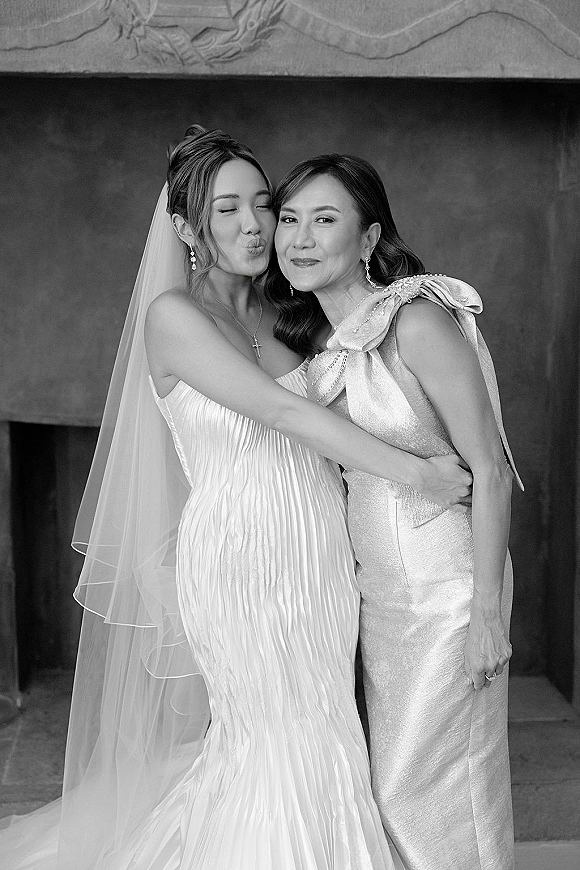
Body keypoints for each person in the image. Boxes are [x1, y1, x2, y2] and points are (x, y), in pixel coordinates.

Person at [0, 129, 472, 870]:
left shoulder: (291, 313)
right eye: (227, 209)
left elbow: (362, 399)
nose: (254, 225)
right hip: (238, 556)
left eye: (263, 204)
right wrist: (421, 476)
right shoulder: (173, 317)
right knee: (270, 735)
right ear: (186, 228)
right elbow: (283, 413)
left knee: (326, 726)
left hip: (320, 552)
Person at [268, 153, 524, 870]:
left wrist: (485, 614)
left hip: (448, 586)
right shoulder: (316, 343)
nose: (301, 238)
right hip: (380, 590)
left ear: (370, 236)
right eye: (289, 219)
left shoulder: (415, 321)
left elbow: (492, 472)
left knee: (436, 788)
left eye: (325, 219)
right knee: (392, 788)